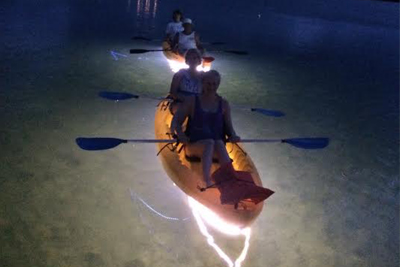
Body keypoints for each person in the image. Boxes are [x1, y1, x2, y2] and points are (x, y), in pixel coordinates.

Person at [171, 70, 240, 187]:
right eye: (208, 83)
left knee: (218, 142)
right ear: (202, 83)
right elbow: (176, 122)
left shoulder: (224, 104)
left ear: (218, 85)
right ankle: (206, 180)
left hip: (215, 148)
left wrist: (233, 136)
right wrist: (181, 135)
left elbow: (229, 129)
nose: (211, 87)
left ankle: (230, 178)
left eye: (214, 84)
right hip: (194, 146)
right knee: (210, 142)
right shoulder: (192, 101)